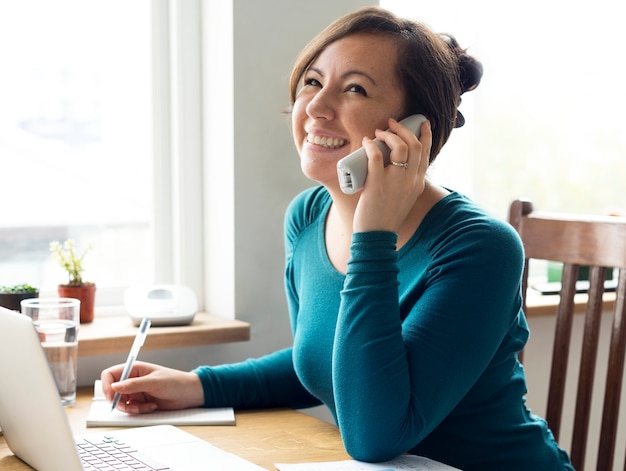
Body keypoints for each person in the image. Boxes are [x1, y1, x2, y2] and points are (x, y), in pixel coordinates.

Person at [101, 7, 574, 470]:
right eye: (312, 81)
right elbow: (330, 362)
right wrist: (197, 386)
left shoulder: (479, 246)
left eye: (354, 89)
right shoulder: (308, 217)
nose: (316, 108)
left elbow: (374, 436)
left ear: (413, 130)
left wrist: (373, 234)